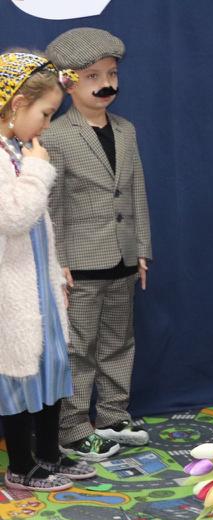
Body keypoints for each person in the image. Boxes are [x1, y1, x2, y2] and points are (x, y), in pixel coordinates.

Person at [43, 28, 151, 459]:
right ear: (68, 83)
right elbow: (51, 206)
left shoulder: (125, 130)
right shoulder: (56, 135)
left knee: (119, 341)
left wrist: (142, 248)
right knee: (79, 347)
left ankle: (112, 415)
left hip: (122, 257)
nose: (106, 84)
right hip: (81, 263)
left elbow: (136, 191)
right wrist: (58, 261)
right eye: (93, 76)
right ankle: (72, 427)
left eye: (112, 74)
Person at [0, 50, 96, 490]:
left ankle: (50, 453)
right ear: (17, 104)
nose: (47, 125)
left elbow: (41, 223)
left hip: (38, 278)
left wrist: (56, 268)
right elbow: (14, 217)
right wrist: (39, 171)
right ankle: (21, 464)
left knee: (51, 365)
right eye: (44, 114)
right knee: (18, 370)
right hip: (12, 286)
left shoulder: (21, 150)